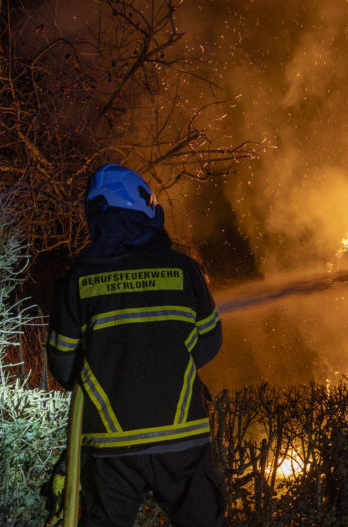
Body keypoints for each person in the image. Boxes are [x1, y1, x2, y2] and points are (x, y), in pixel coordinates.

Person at [46, 164, 227, 526]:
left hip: (111, 447)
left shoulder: (78, 281)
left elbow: (64, 365)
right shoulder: (183, 270)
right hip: (183, 441)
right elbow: (209, 342)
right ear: (144, 208)